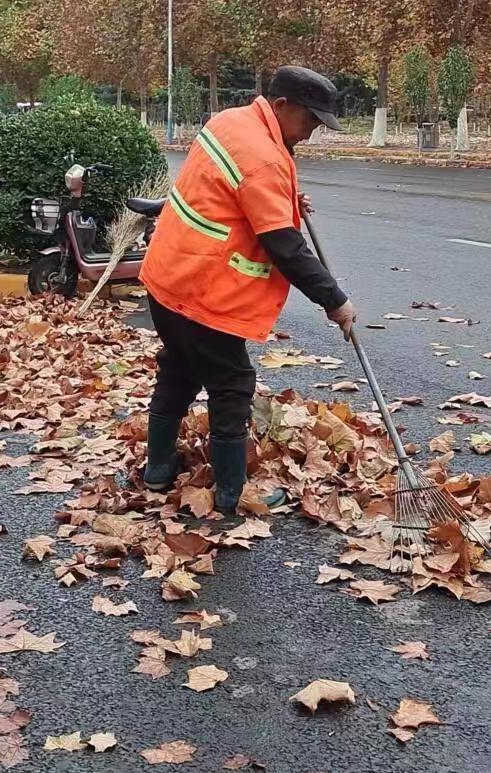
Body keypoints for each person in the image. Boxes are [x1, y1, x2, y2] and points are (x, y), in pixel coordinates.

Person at [138, 65, 358, 515]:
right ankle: (232, 495)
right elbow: (285, 247)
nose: (312, 134)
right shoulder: (262, 157)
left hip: (167, 280)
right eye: (309, 121)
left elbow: (228, 193)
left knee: (178, 372)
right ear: (281, 106)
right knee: (231, 385)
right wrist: (335, 301)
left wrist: (286, 199)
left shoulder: (230, 122)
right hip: (207, 293)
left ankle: (157, 471)